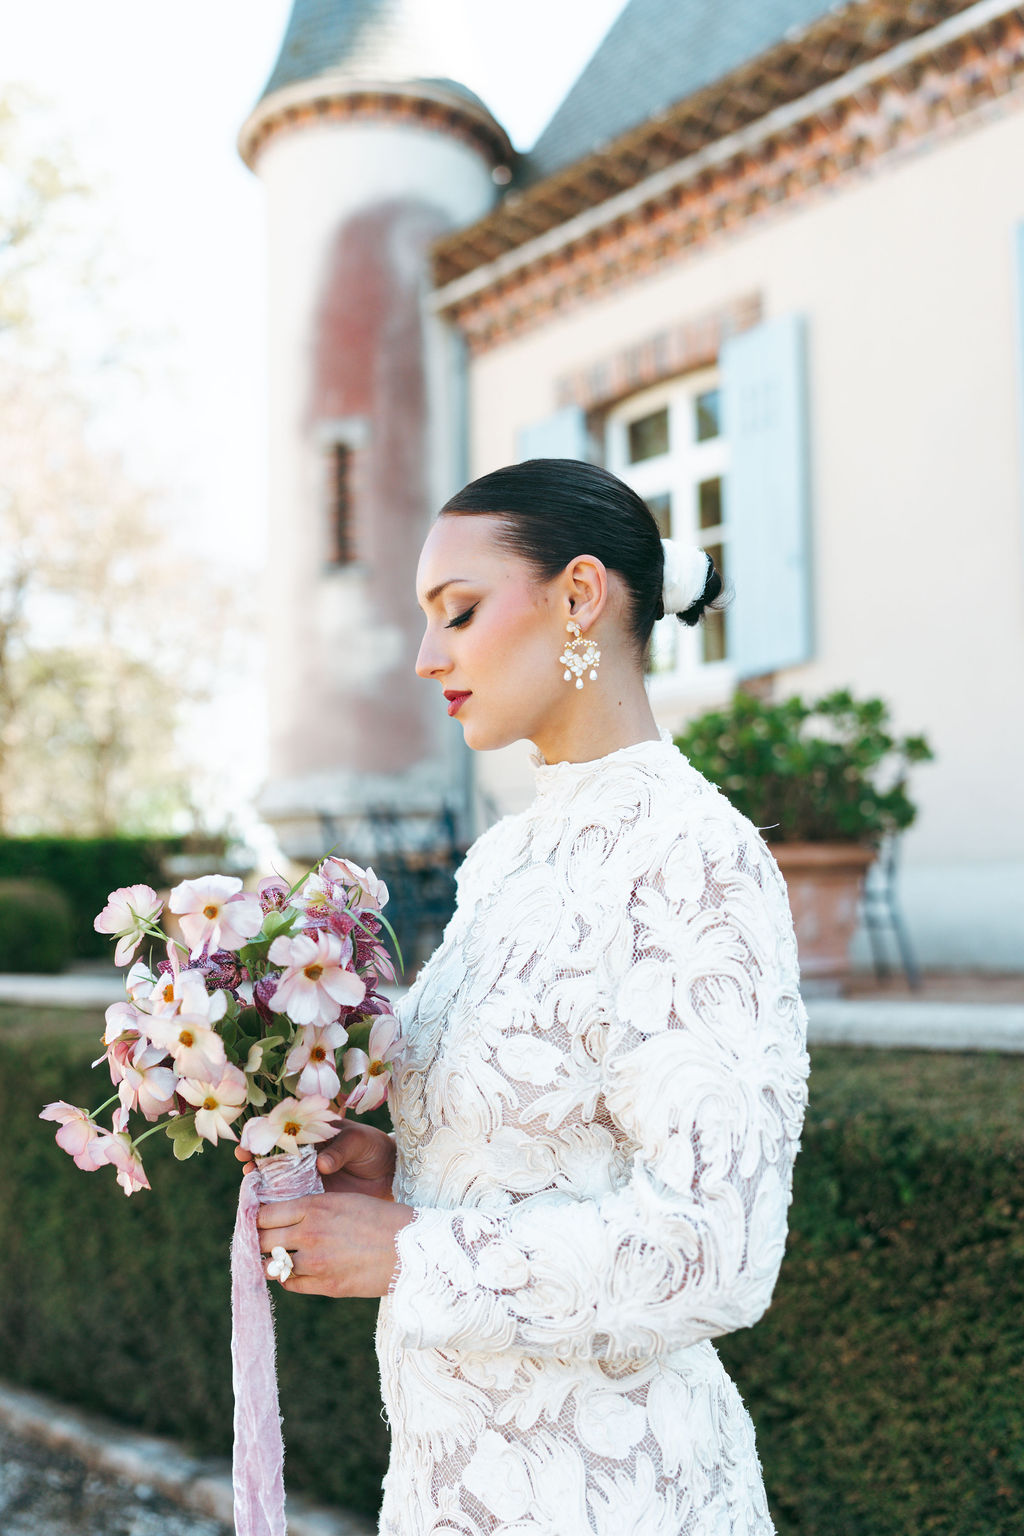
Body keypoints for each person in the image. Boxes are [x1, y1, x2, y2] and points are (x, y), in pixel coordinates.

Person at [249, 459, 811, 1535]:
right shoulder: (502, 864)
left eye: (457, 613)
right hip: (445, 1485)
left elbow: (721, 1247)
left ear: (578, 596)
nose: (426, 657)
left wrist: (410, 1251)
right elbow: (521, 1143)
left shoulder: (692, 856)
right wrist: (386, 1166)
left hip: (616, 1491)